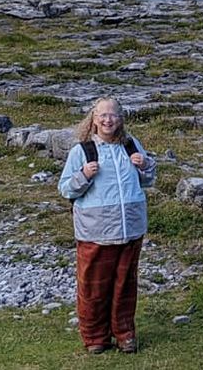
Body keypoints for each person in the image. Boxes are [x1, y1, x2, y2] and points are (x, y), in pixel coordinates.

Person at [57, 97, 156, 354]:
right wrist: (85, 175)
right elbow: (66, 188)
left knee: (125, 284)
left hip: (130, 229)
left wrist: (145, 166)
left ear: (121, 119)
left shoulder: (131, 145)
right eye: (102, 115)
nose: (108, 120)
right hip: (95, 231)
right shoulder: (83, 150)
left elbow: (148, 179)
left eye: (113, 115)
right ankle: (95, 338)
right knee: (94, 287)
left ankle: (125, 335)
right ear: (94, 118)